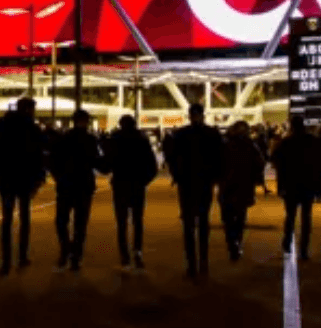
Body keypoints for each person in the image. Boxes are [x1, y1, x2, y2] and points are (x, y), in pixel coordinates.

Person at [163, 103, 223, 279]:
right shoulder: (212, 134)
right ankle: (203, 262)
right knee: (203, 222)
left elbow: (171, 157)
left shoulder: (180, 134)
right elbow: (220, 158)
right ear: (203, 115)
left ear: (189, 115)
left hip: (186, 183)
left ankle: (191, 264)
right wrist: (215, 177)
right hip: (205, 182)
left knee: (189, 224)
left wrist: (177, 175)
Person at [0, 97, 47, 275]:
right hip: (25, 177)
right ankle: (22, 256)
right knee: (24, 217)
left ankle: (6, 261)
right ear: (29, 109)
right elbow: (39, 154)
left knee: (7, 219)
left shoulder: (3, 125)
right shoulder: (32, 128)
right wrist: (39, 178)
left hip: (7, 177)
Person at [50, 109, 106, 271]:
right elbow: (97, 161)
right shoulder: (90, 139)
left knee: (61, 221)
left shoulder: (64, 138)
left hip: (66, 183)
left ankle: (65, 249)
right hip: (83, 184)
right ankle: (76, 256)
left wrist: (58, 177)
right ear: (86, 122)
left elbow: (53, 160)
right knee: (80, 224)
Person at [106, 112, 158, 270]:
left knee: (121, 222)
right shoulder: (142, 140)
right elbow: (152, 165)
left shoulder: (115, 139)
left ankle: (124, 255)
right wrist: (144, 181)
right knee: (138, 221)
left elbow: (108, 162)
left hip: (120, 184)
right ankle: (138, 251)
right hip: (137, 184)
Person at [273, 117, 321, 260]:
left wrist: (280, 186)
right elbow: (319, 164)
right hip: (308, 183)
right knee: (306, 218)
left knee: (290, 216)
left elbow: (278, 164)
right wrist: (320, 186)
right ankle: (304, 249)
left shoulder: (286, 142)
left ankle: (287, 241)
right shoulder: (313, 141)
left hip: (291, 184)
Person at [218, 119, 264, 260]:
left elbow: (216, 163)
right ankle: (236, 241)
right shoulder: (250, 145)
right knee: (240, 216)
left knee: (227, 217)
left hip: (227, 185)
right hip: (244, 185)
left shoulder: (224, 145)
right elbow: (260, 163)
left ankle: (232, 241)